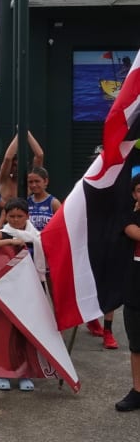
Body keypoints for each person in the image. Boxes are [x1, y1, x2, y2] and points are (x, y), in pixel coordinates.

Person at [0, 197, 45, 392]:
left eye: (20, 216)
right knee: (6, 331)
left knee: (25, 333)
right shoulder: (4, 233)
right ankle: (3, 371)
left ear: (27, 216)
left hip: (32, 288)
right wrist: (9, 240)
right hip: (8, 289)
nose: (16, 220)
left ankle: (25, 373)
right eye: (12, 216)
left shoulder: (38, 236)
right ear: (6, 216)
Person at [115, 173, 140, 412]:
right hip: (135, 290)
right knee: (137, 345)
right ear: (134, 194)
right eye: (139, 190)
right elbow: (134, 232)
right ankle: (138, 391)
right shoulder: (128, 218)